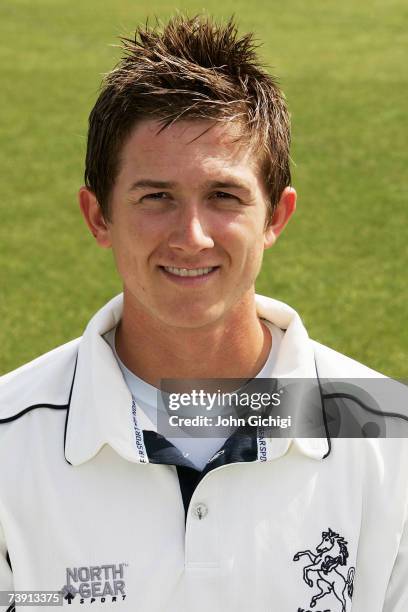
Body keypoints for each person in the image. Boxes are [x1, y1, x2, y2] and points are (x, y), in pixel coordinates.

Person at [0, 14, 407, 612]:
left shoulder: (391, 438)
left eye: (224, 196)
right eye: (155, 197)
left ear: (275, 217)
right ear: (98, 217)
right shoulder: (10, 441)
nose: (191, 237)